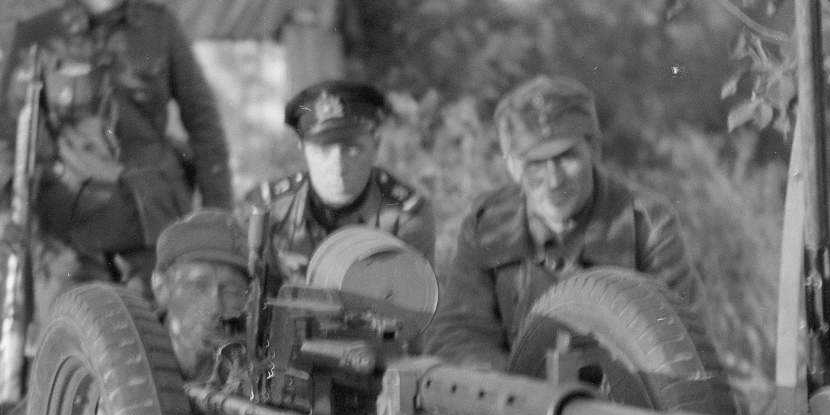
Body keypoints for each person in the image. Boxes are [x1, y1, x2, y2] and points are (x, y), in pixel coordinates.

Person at [0, 0, 233, 308]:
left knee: (164, 348)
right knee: (71, 349)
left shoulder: (159, 27)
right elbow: (7, 135)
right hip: (72, 230)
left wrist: (219, 211)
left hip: (152, 225)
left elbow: (204, 124)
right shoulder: (42, 38)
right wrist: (3, 207)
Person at [424, 75, 713, 371]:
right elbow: (458, 332)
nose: (553, 180)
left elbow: (681, 345)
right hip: (513, 402)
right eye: (535, 162)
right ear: (512, 166)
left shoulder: (647, 224)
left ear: (594, 151)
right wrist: (505, 390)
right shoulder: (488, 224)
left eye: (566, 157)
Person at [239, 80, 434, 287]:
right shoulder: (266, 208)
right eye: (323, 150)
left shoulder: (405, 214)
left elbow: (412, 306)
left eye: (352, 149)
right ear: (302, 148)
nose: (338, 165)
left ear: (375, 145)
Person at [150, 209, 251, 379]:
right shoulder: (121, 359)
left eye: (231, 290)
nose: (215, 307)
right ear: (161, 287)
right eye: (198, 286)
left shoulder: (253, 371)